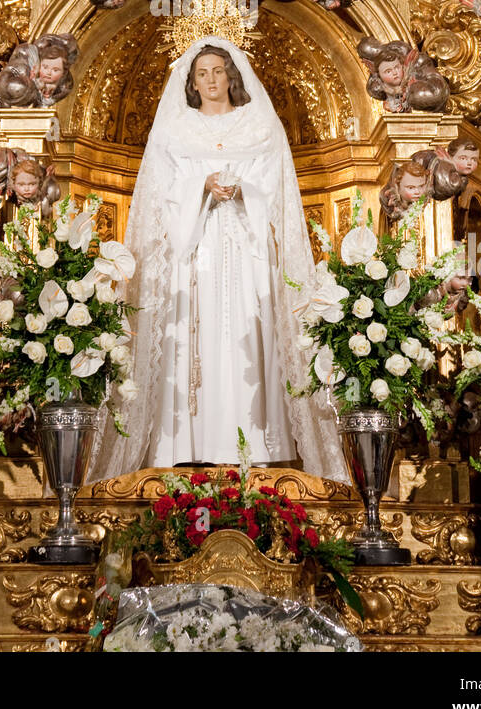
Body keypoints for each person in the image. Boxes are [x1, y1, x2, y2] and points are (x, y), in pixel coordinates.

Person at [86, 38, 345, 478]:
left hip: (246, 251)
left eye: (217, 71)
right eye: (201, 73)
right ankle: (185, 444)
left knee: (248, 331)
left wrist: (245, 190)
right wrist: (199, 187)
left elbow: (277, 190)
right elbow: (159, 197)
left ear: (232, 76)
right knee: (189, 336)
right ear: (191, 82)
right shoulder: (174, 129)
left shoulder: (258, 123)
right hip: (192, 253)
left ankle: (254, 444)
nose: (210, 80)